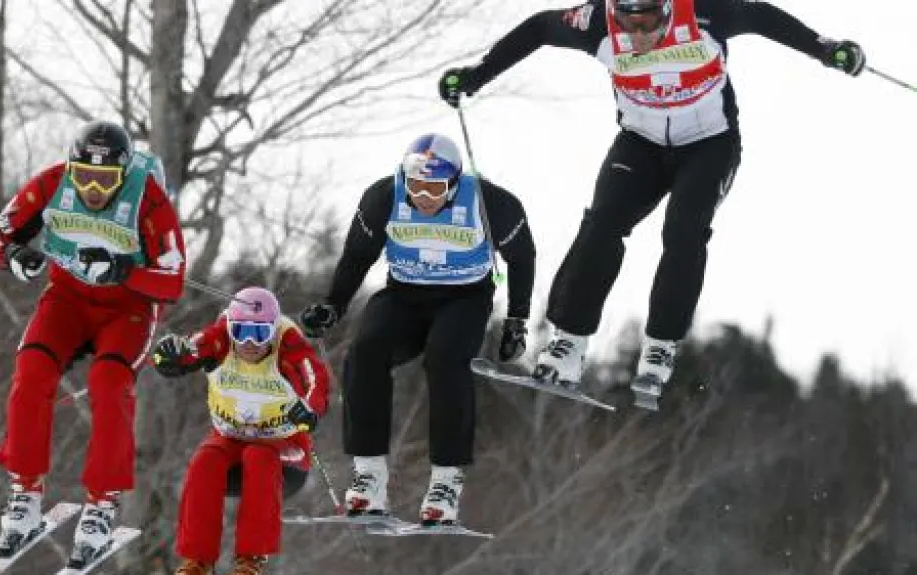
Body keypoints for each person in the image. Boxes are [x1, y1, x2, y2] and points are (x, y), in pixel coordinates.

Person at [437, 0, 866, 401]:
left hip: (709, 145)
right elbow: (539, 29)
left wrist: (826, 50)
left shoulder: (705, 12)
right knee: (602, 224)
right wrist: (476, 76)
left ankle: (661, 345)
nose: (639, 33)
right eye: (629, 22)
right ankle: (568, 342)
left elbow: (761, 17)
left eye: (648, 22)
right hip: (640, 143)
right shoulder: (596, 22)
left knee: (683, 230)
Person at [299, 133, 535, 525]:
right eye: (416, 186)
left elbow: (522, 257)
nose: (424, 196)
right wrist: (333, 305)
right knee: (365, 352)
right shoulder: (383, 198)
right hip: (404, 294)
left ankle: (446, 482)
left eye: (435, 188)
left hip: (464, 298)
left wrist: (517, 321)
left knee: (445, 358)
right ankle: (369, 477)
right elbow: (357, 256)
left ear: (454, 183)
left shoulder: (491, 203)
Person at [0, 120, 186, 568]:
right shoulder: (52, 183)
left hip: (128, 308)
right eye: (85, 176)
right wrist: (16, 255)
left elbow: (172, 282)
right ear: (71, 167)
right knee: (32, 373)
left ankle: (101, 505)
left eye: (106, 179)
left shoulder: (149, 198)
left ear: (124, 174)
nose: (94, 189)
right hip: (68, 298)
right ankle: (25, 493)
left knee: (109, 384)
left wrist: (123, 270)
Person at [152, 286, 331, 575]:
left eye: (260, 333)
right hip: (230, 440)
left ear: (273, 330)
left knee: (258, 455)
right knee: (205, 460)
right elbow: (191, 348)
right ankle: (197, 561)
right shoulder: (220, 339)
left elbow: (316, 379)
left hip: (283, 450)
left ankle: (250, 560)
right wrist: (170, 355)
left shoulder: (288, 344)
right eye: (241, 331)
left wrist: (310, 409)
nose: (249, 342)